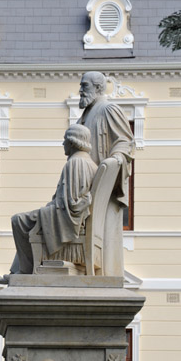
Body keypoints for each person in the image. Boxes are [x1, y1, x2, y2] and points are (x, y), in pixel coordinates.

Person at [1, 124, 97, 278]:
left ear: (72, 142)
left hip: (67, 219)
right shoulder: (88, 163)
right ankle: (20, 270)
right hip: (66, 213)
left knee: (18, 220)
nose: (63, 144)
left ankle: (25, 270)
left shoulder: (75, 163)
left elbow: (71, 203)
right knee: (27, 220)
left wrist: (46, 210)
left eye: (65, 140)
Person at [77, 71, 135, 276]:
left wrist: (115, 160)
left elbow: (124, 141)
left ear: (98, 88)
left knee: (106, 232)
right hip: (81, 186)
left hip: (103, 186)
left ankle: (106, 274)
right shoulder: (85, 115)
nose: (80, 90)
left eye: (84, 86)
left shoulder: (108, 109)